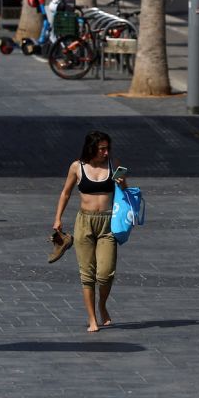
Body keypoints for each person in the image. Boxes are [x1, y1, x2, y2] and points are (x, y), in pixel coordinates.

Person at [51, 130, 129, 332]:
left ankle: (102, 304)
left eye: (107, 148)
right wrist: (58, 218)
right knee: (87, 275)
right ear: (91, 148)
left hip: (107, 223)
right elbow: (65, 193)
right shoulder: (77, 167)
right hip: (84, 223)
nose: (106, 152)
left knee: (105, 273)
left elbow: (125, 192)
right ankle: (92, 318)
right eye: (102, 148)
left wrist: (123, 183)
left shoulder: (114, 164)